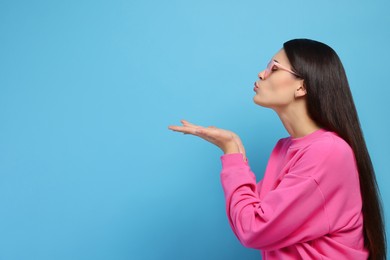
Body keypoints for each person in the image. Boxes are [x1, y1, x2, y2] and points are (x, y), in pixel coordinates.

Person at [168, 39, 386, 259]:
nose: (262, 74)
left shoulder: (328, 152)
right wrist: (236, 152)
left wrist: (232, 152)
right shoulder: (285, 148)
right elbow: (251, 217)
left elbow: (252, 229)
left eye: (274, 68)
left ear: (302, 86)